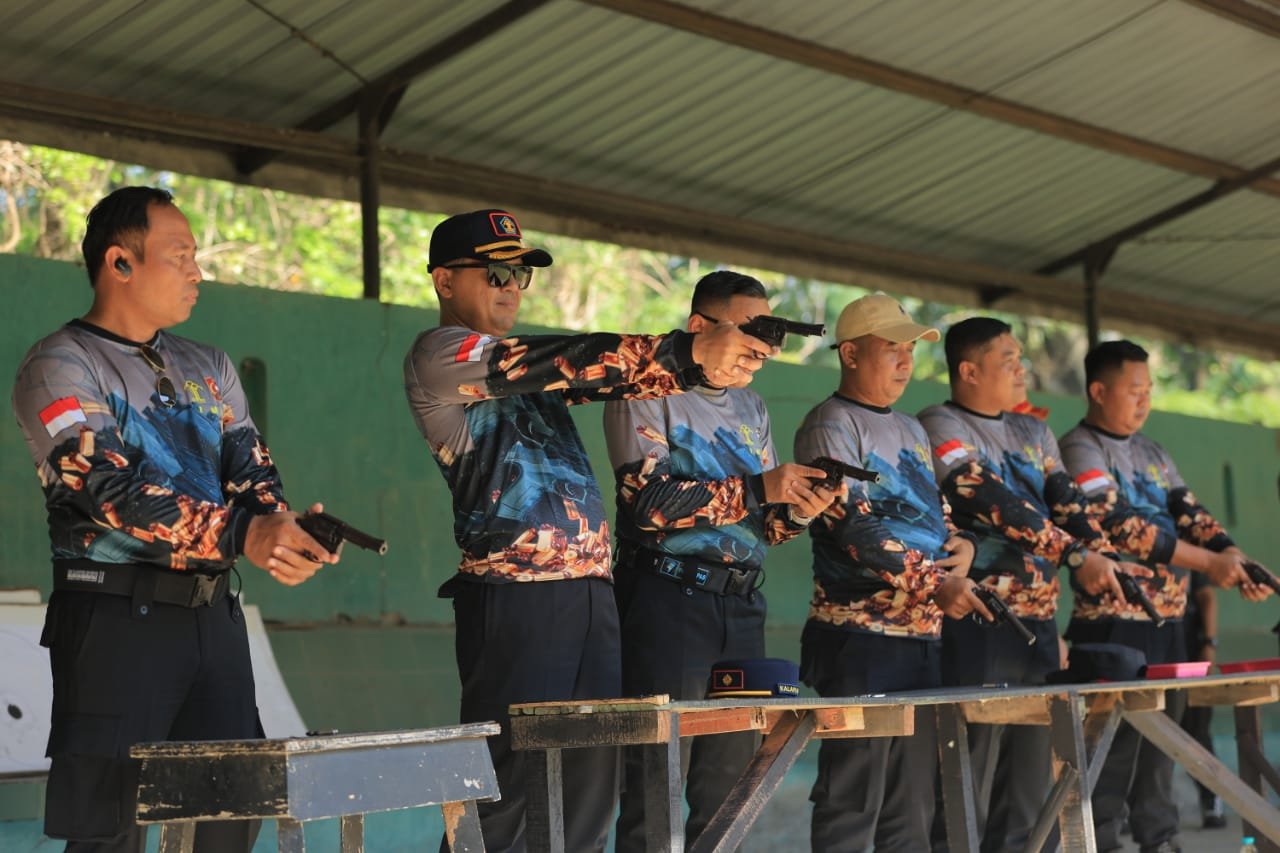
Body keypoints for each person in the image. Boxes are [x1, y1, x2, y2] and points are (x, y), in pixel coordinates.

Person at [402, 209, 770, 852]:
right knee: (507, 792)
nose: (511, 284)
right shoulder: (441, 354)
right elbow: (565, 362)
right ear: (443, 281)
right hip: (517, 595)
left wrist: (701, 368)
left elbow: (604, 372)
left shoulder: (531, 371)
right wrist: (685, 350)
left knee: (590, 790)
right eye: (494, 271)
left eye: (519, 272)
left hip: (590, 596)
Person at [10, 186, 336, 853]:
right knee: (110, 831)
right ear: (119, 263)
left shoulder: (208, 365)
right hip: (112, 621)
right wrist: (245, 533)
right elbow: (102, 491)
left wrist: (285, 528)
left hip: (213, 619)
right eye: (180, 255)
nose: (197, 271)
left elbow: (252, 478)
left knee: (227, 821)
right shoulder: (60, 362)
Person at [603, 270, 838, 850]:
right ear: (698, 328)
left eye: (768, 338)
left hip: (739, 604)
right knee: (655, 783)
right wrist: (761, 488)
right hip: (666, 598)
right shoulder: (647, 390)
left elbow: (766, 525)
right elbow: (648, 507)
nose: (760, 350)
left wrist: (803, 507)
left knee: (730, 787)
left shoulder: (752, 405)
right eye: (749, 333)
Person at [916, 317, 1129, 853]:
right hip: (977, 623)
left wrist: (1096, 553)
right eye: (1008, 359)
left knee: (1031, 781)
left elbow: (1067, 502)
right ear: (968, 370)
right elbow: (993, 501)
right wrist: (1076, 553)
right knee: (969, 776)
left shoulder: (1033, 431)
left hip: (1036, 624)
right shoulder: (939, 423)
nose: (1021, 369)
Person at [792, 294, 990, 853]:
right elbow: (855, 530)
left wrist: (964, 547)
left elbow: (937, 514)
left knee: (913, 803)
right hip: (859, 640)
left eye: (910, 350)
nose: (906, 362)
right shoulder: (829, 425)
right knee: (855, 798)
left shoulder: (910, 428)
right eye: (892, 349)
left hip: (921, 638)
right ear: (850, 353)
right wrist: (938, 582)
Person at [1058, 339, 1270, 853]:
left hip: (1169, 624)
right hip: (1111, 624)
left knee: (1165, 745)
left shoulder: (1153, 452)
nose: (1144, 400)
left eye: (1149, 390)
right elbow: (1120, 527)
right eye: (1134, 390)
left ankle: (1161, 841)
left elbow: (1189, 512)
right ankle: (1101, 843)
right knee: (1109, 746)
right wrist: (1210, 563)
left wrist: (1235, 558)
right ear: (1098, 390)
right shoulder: (1080, 447)